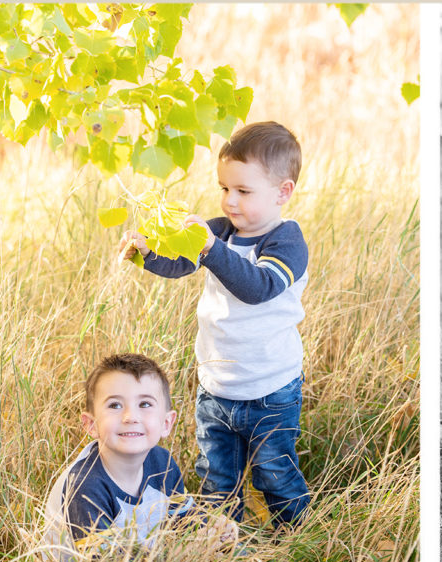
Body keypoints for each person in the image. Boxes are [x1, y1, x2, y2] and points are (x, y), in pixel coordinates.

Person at [119, 121, 312, 526]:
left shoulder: (286, 243)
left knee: (275, 475)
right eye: (224, 189)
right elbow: (181, 264)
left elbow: (257, 287)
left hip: (270, 390)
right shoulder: (220, 232)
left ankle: (295, 537)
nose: (230, 202)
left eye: (243, 191)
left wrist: (210, 248)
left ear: (283, 192)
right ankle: (220, 546)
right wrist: (146, 254)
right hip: (217, 388)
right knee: (216, 480)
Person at [43, 353, 238, 562]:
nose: (130, 417)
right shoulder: (86, 486)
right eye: (115, 405)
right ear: (91, 425)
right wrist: (179, 556)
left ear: (166, 423)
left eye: (144, 404)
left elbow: (181, 517)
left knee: (237, 559)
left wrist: (211, 527)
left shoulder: (162, 463)